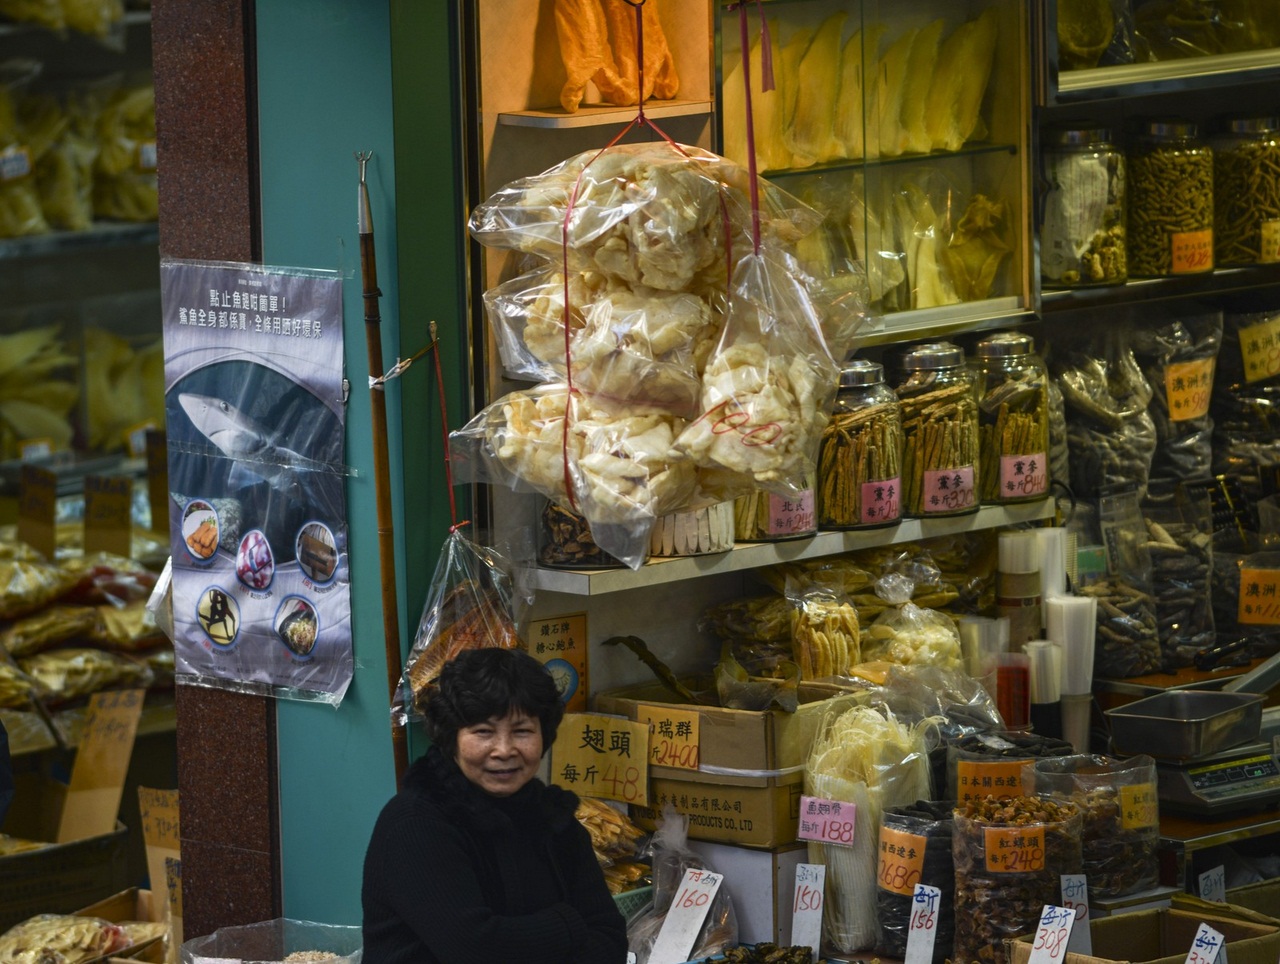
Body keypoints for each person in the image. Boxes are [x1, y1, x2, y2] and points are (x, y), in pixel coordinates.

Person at [361, 646, 627, 964]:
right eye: (483, 732)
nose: (504, 750)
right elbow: (476, 949)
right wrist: (567, 924)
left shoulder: (552, 818)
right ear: (451, 737)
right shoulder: (416, 824)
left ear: (544, 735)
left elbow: (609, 939)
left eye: (522, 731)